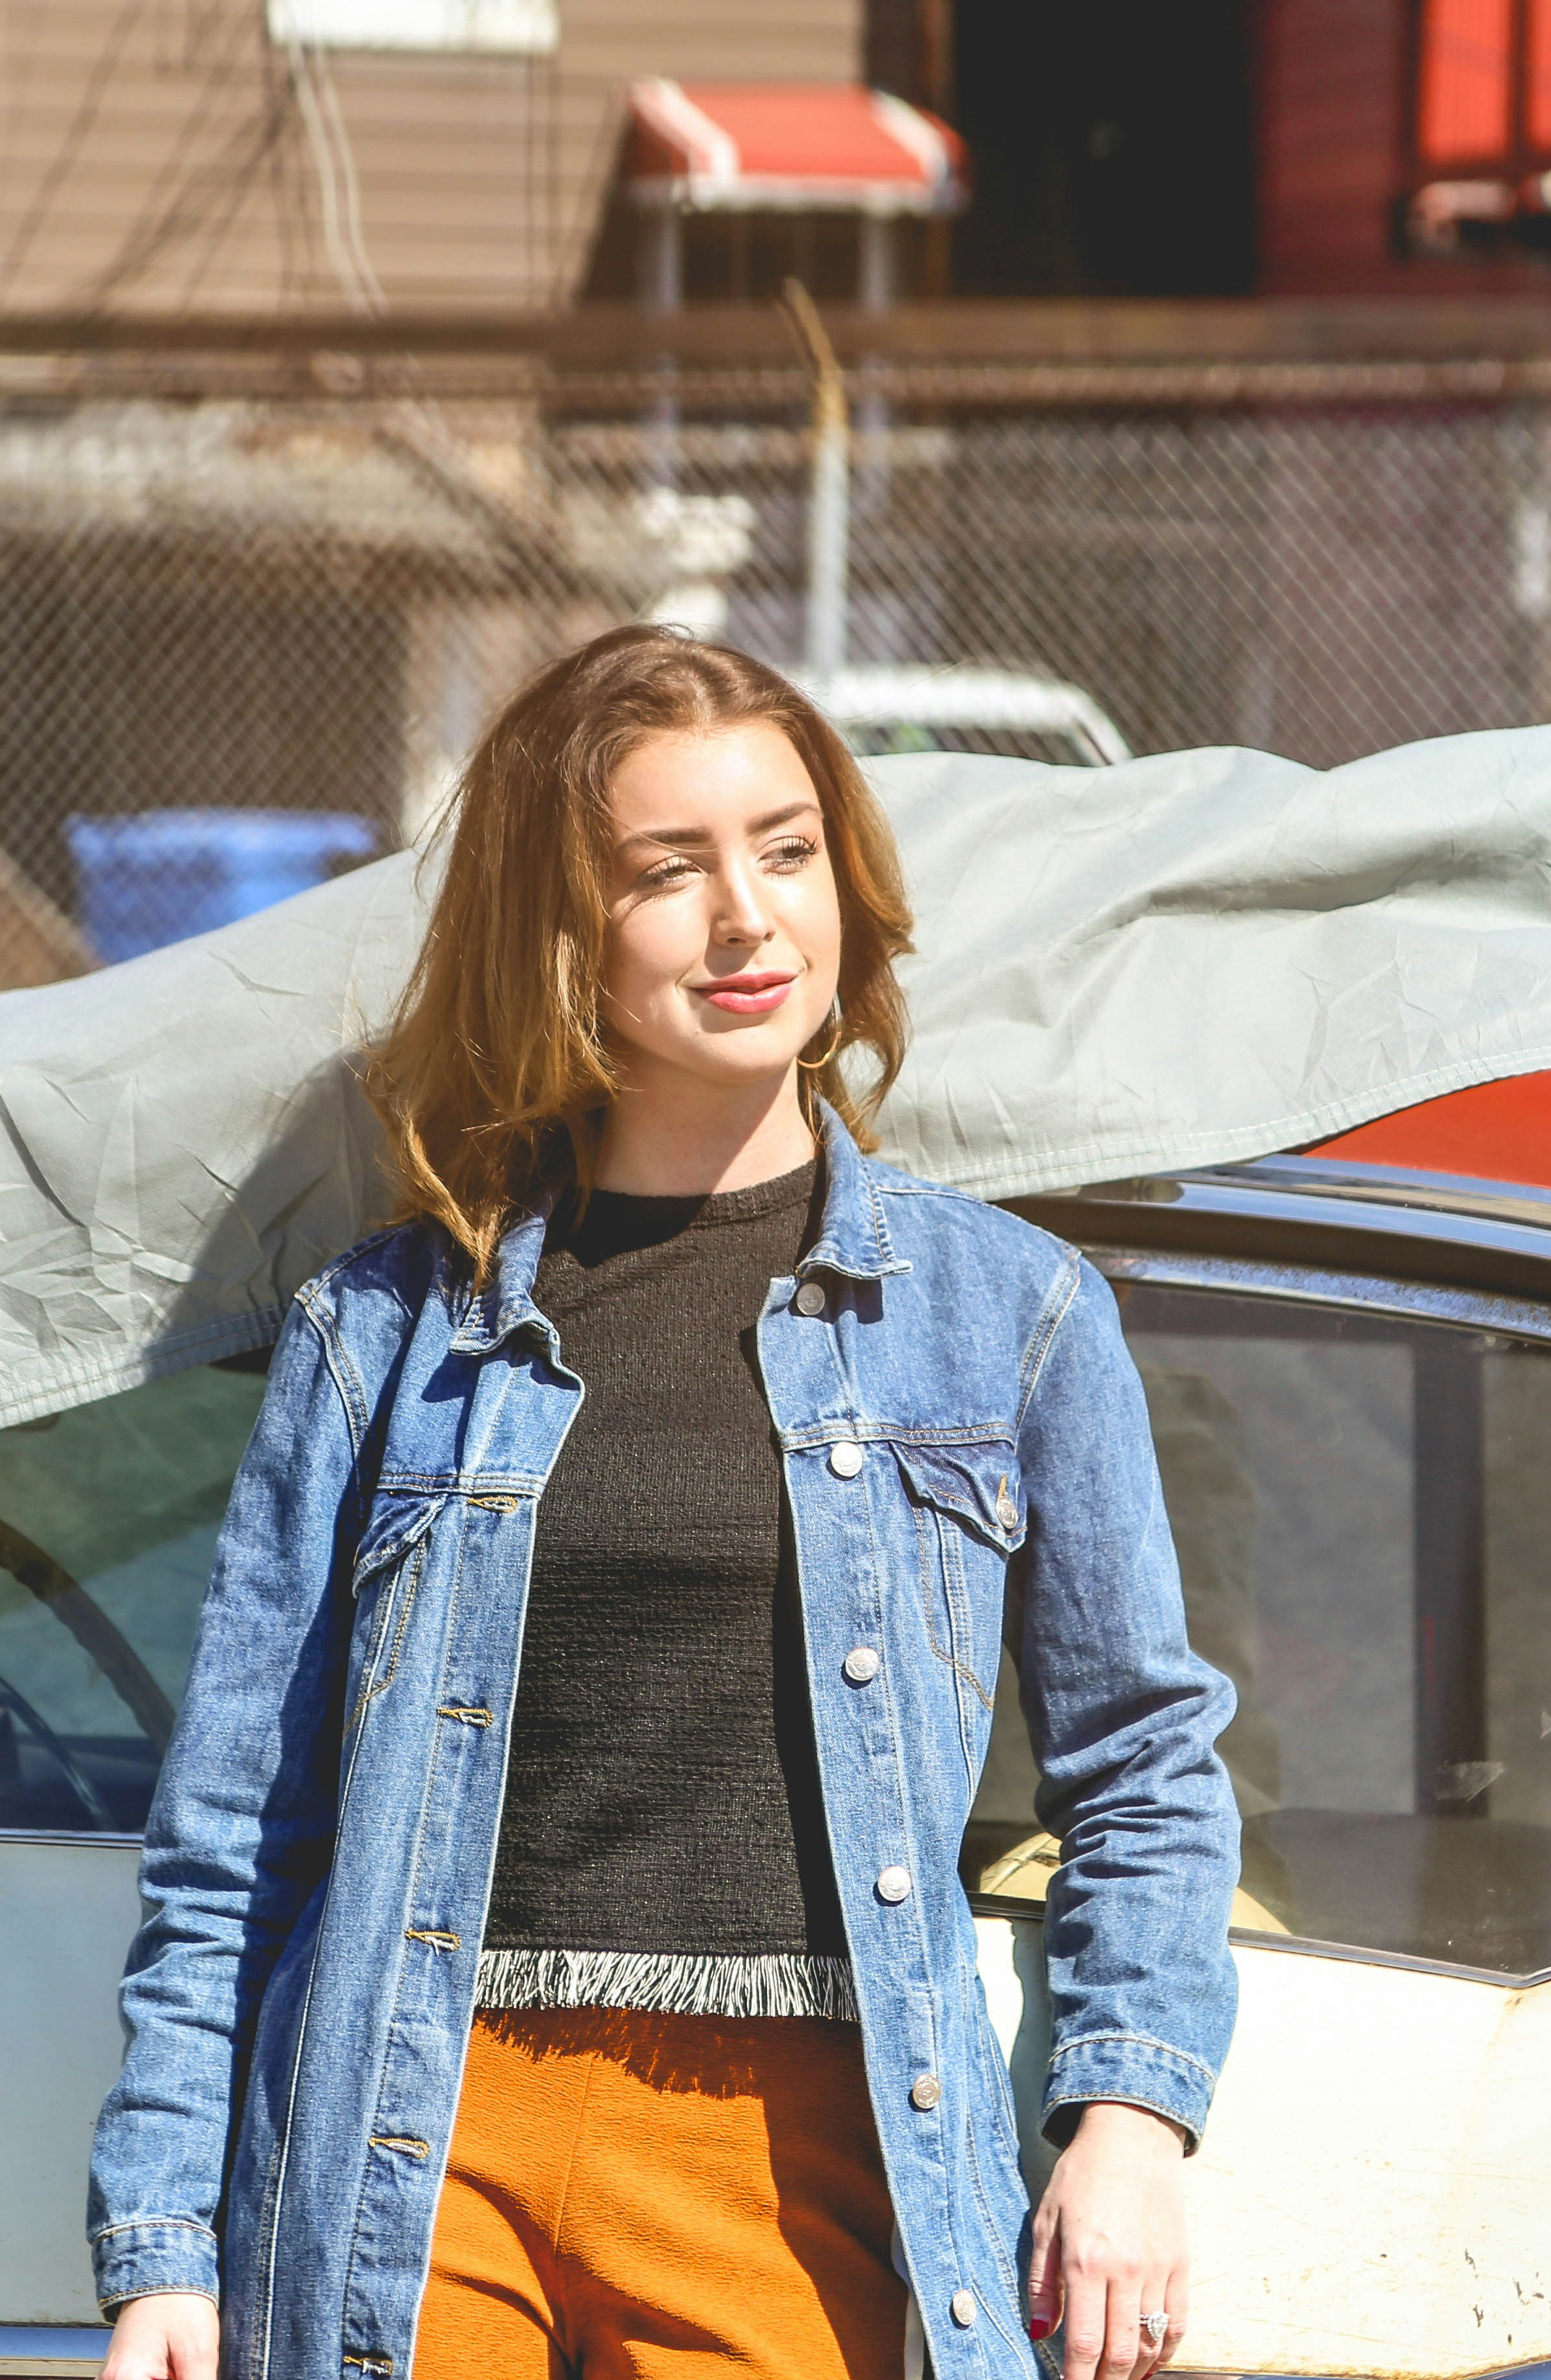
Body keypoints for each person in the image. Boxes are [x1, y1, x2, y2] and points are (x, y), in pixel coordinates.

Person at [89, 625, 1241, 2380]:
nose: (747, 919)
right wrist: (165, 2245)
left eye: (787, 853)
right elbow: (239, 1829)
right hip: (420, 2135)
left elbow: (1144, 1766)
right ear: (565, 934)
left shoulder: (1008, 1320)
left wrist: (1131, 2119)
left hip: (785, 2154)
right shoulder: (387, 1334)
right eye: (668, 871)